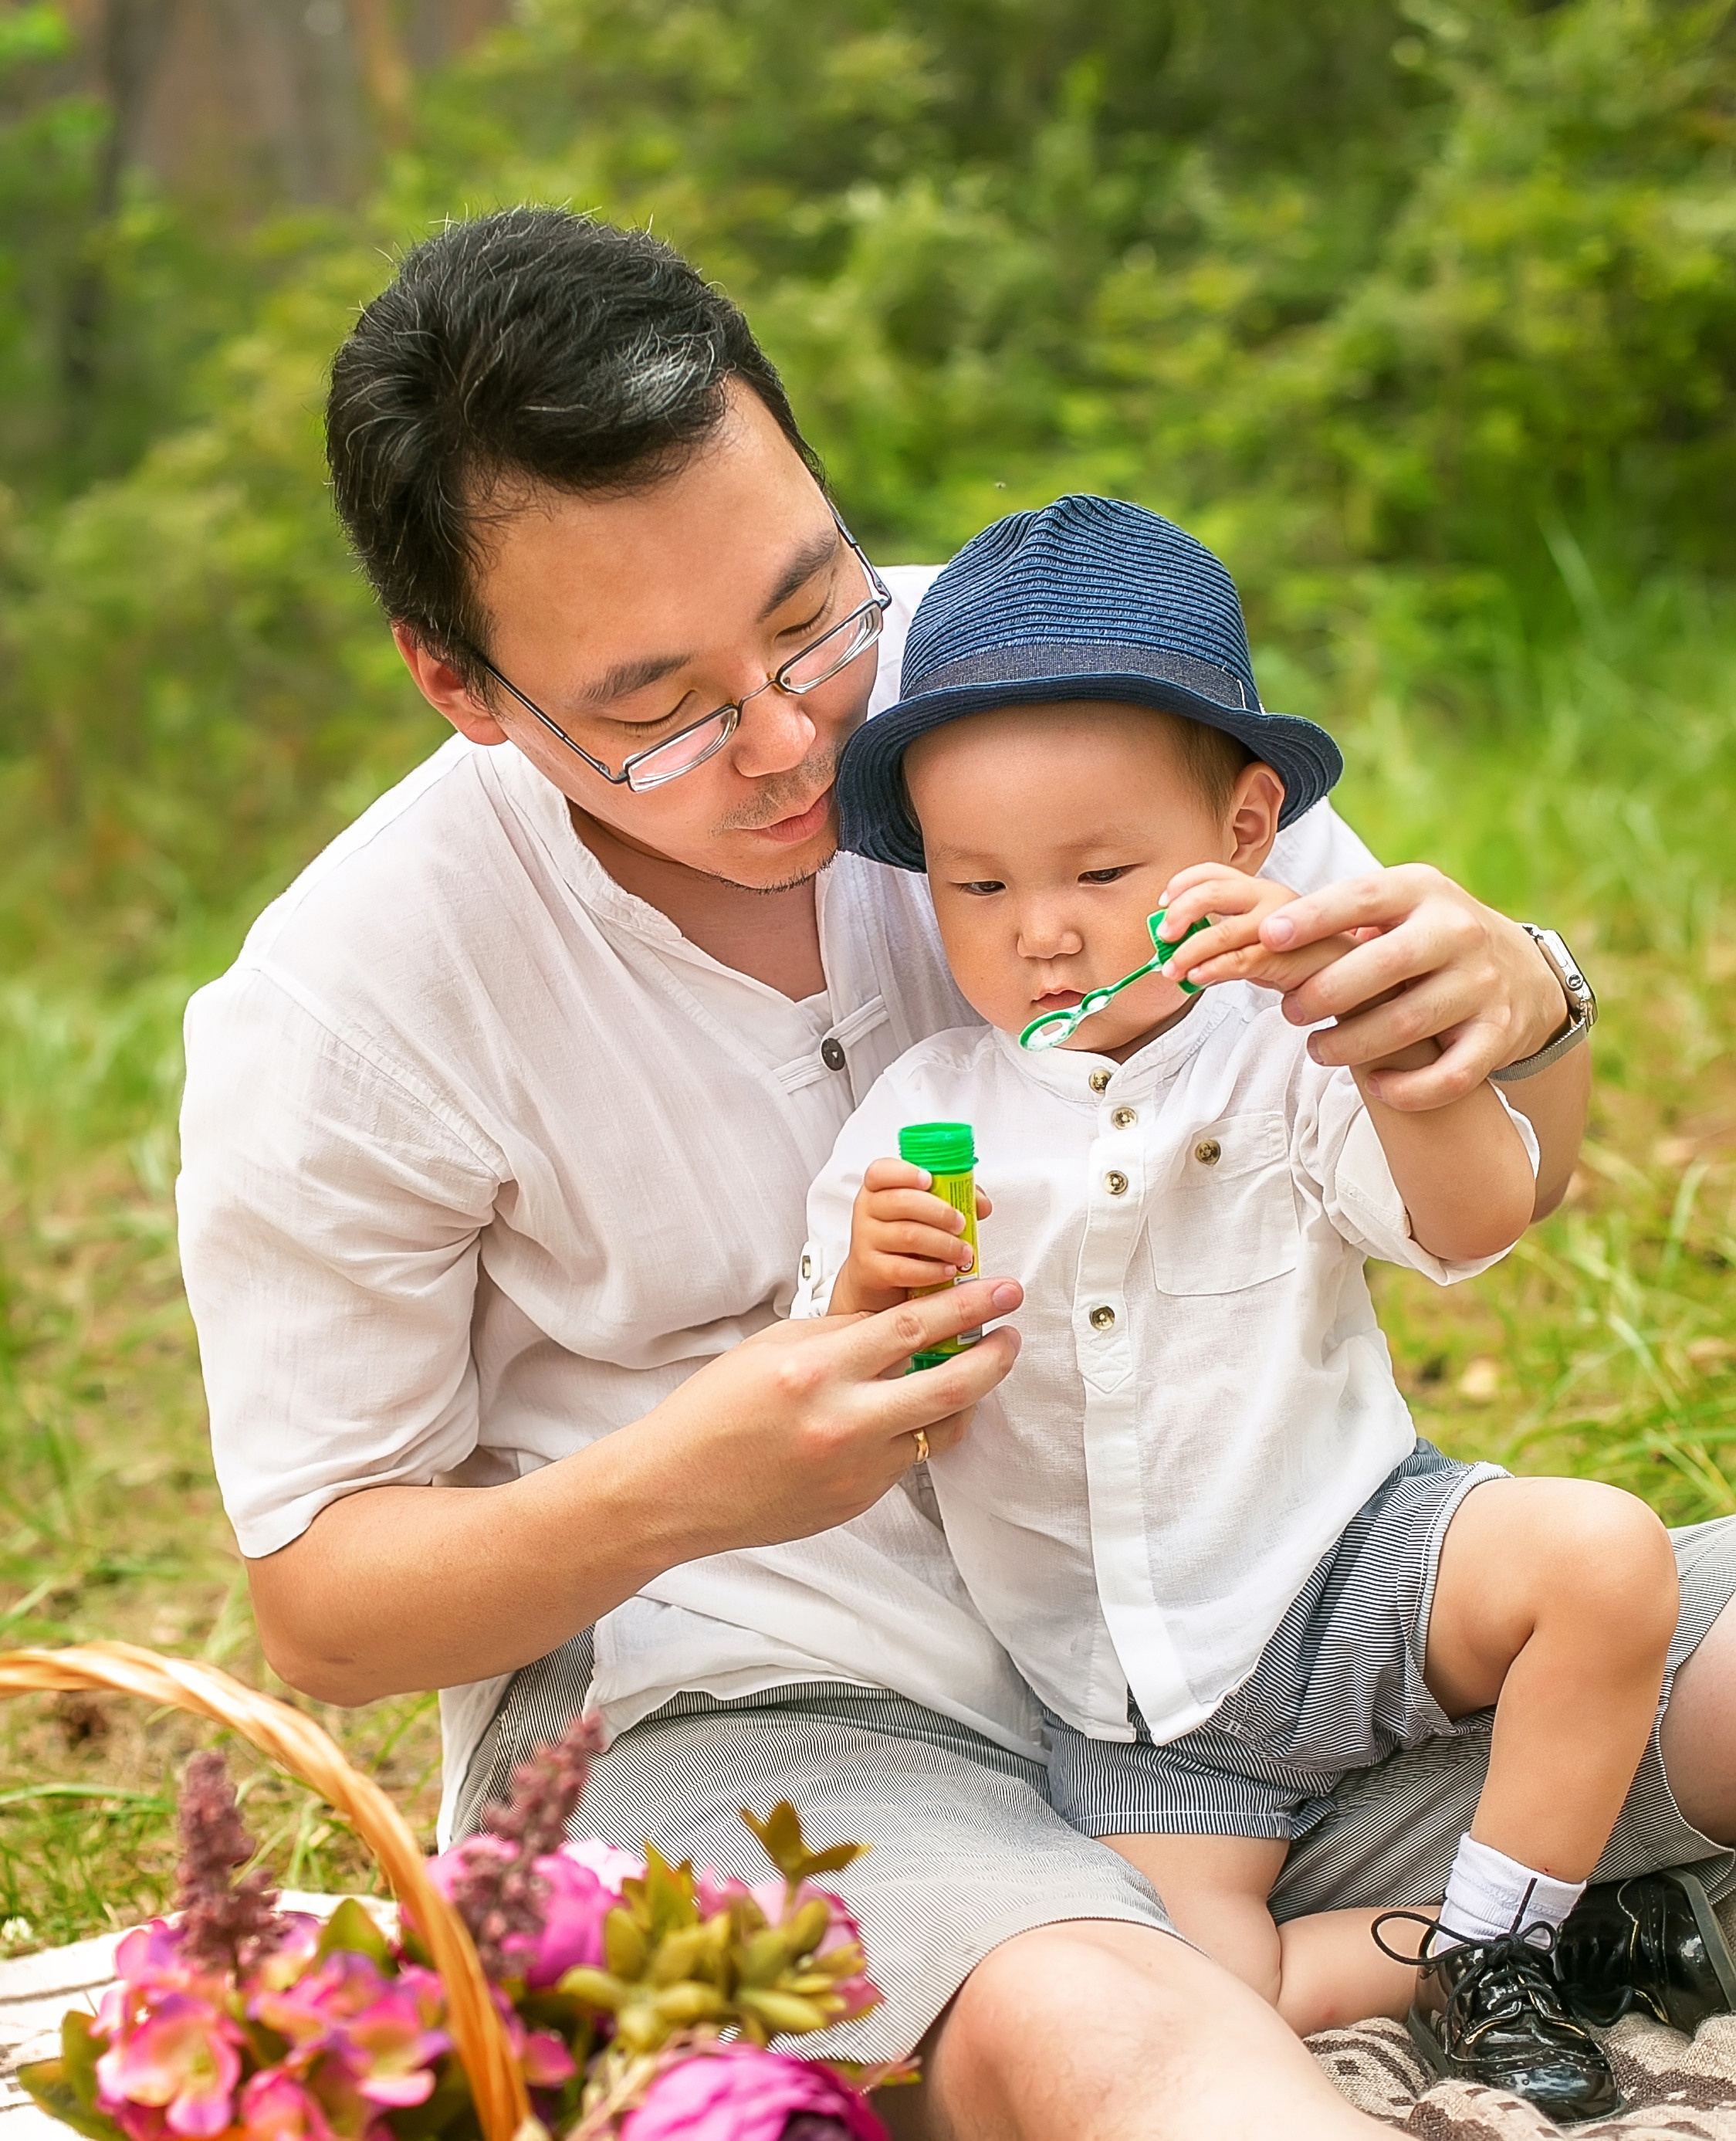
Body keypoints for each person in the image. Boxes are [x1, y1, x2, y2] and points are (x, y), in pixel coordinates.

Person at [175, 208, 1736, 2141]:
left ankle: (1467, 1932)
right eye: (659, 709)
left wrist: (1529, 1002)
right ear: (460, 683)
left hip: (1275, 1632)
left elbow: (1481, 1170)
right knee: (1118, 2030)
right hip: (770, 1717)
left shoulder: (1044, 678)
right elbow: (325, 1609)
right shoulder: (350, 1005)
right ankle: (1460, 1945)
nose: (792, 742)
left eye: (813, 611)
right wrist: (695, 1478)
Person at [803, 493, 1680, 2122]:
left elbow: (1476, 1218)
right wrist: (877, 1295)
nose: (1040, 927)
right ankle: (1519, 1930)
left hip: (1354, 1558)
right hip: (1140, 1698)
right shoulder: (925, 1114)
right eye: (977, 887)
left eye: (1101, 869)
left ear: (1247, 828)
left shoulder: (1291, 1044)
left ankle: (1502, 1951)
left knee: (1606, 1560)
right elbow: (839, 1379)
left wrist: (1358, 1024)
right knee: (1186, 1996)